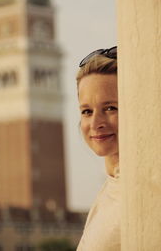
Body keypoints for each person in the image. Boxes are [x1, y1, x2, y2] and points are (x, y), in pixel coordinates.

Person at [76, 46, 120, 251]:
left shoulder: (146, 188)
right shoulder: (110, 189)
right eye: (87, 111)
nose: (95, 123)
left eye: (110, 108)